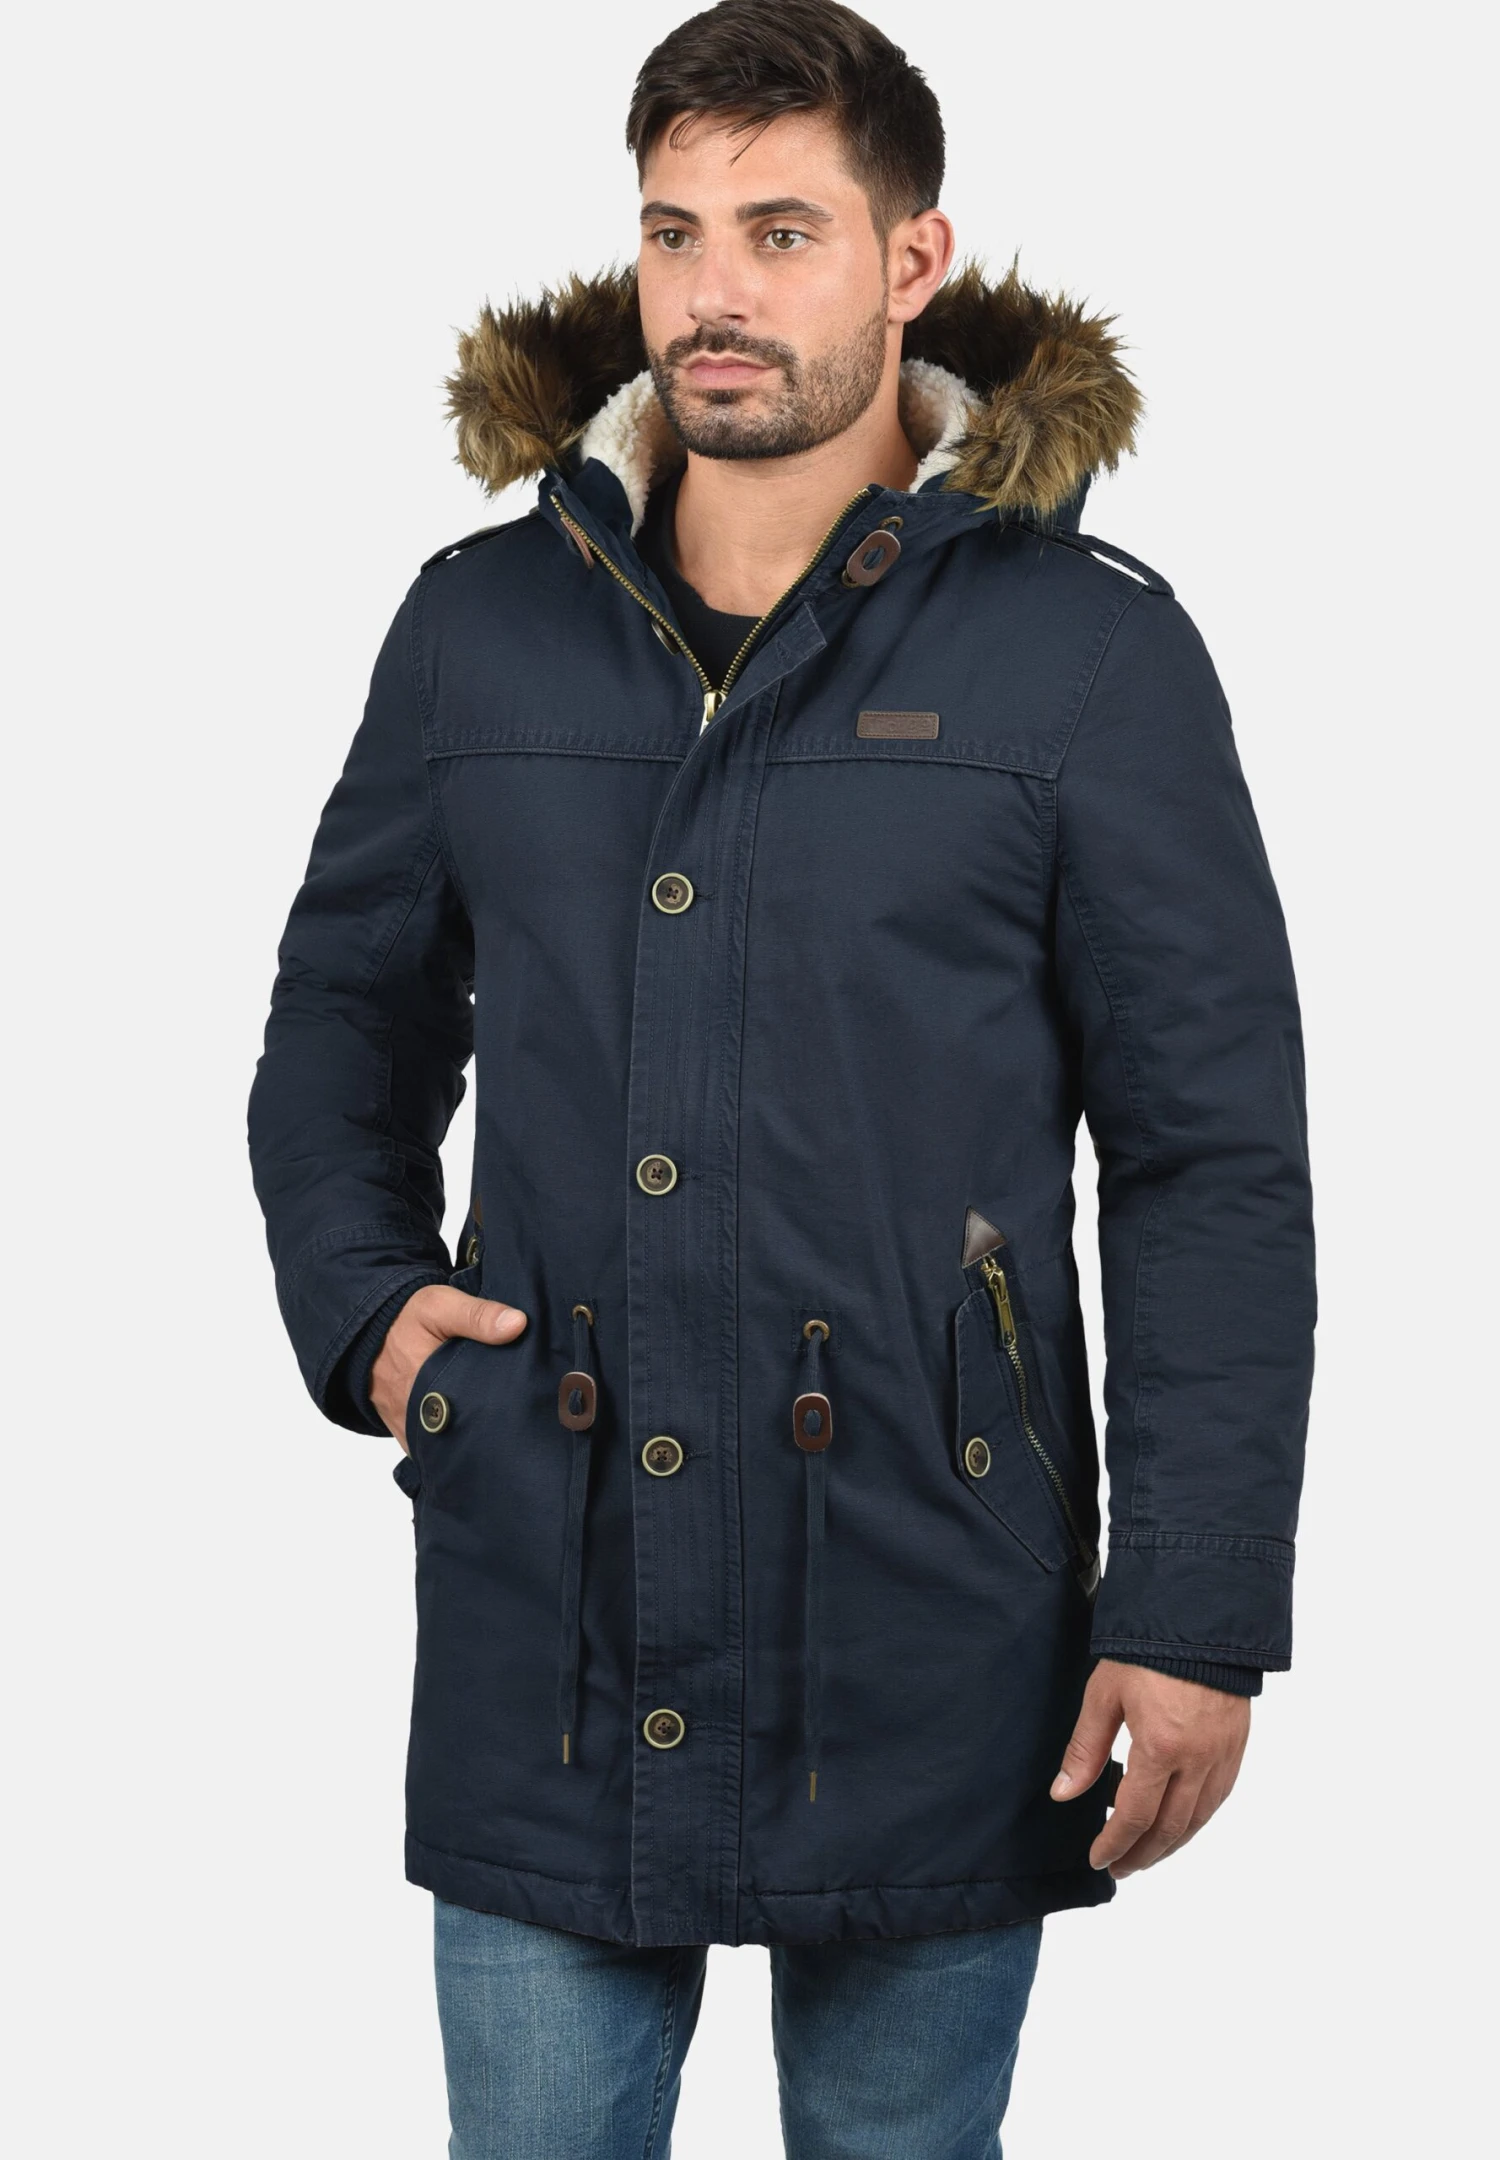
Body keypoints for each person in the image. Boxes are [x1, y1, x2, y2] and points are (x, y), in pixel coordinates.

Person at [247, 3, 1316, 2152]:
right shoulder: (478, 627)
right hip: (547, 1588)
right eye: (674, 232)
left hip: (931, 1590)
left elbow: (1208, 1155)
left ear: (915, 260)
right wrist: (371, 1317)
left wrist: (1197, 1606)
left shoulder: (1085, 650)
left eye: (781, 231)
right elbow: (341, 1027)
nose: (713, 292)